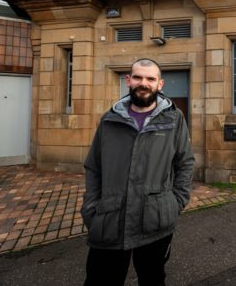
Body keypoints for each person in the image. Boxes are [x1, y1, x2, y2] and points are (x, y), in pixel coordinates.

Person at [81, 58, 194, 286]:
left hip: (155, 221)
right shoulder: (109, 119)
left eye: (150, 78)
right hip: (109, 220)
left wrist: (175, 203)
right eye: (138, 77)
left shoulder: (174, 119)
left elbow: (185, 163)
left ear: (160, 84)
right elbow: (94, 166)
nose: (144, 83)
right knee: (100, 280)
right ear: (128, 80)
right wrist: (91, 208)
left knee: (152, 279)